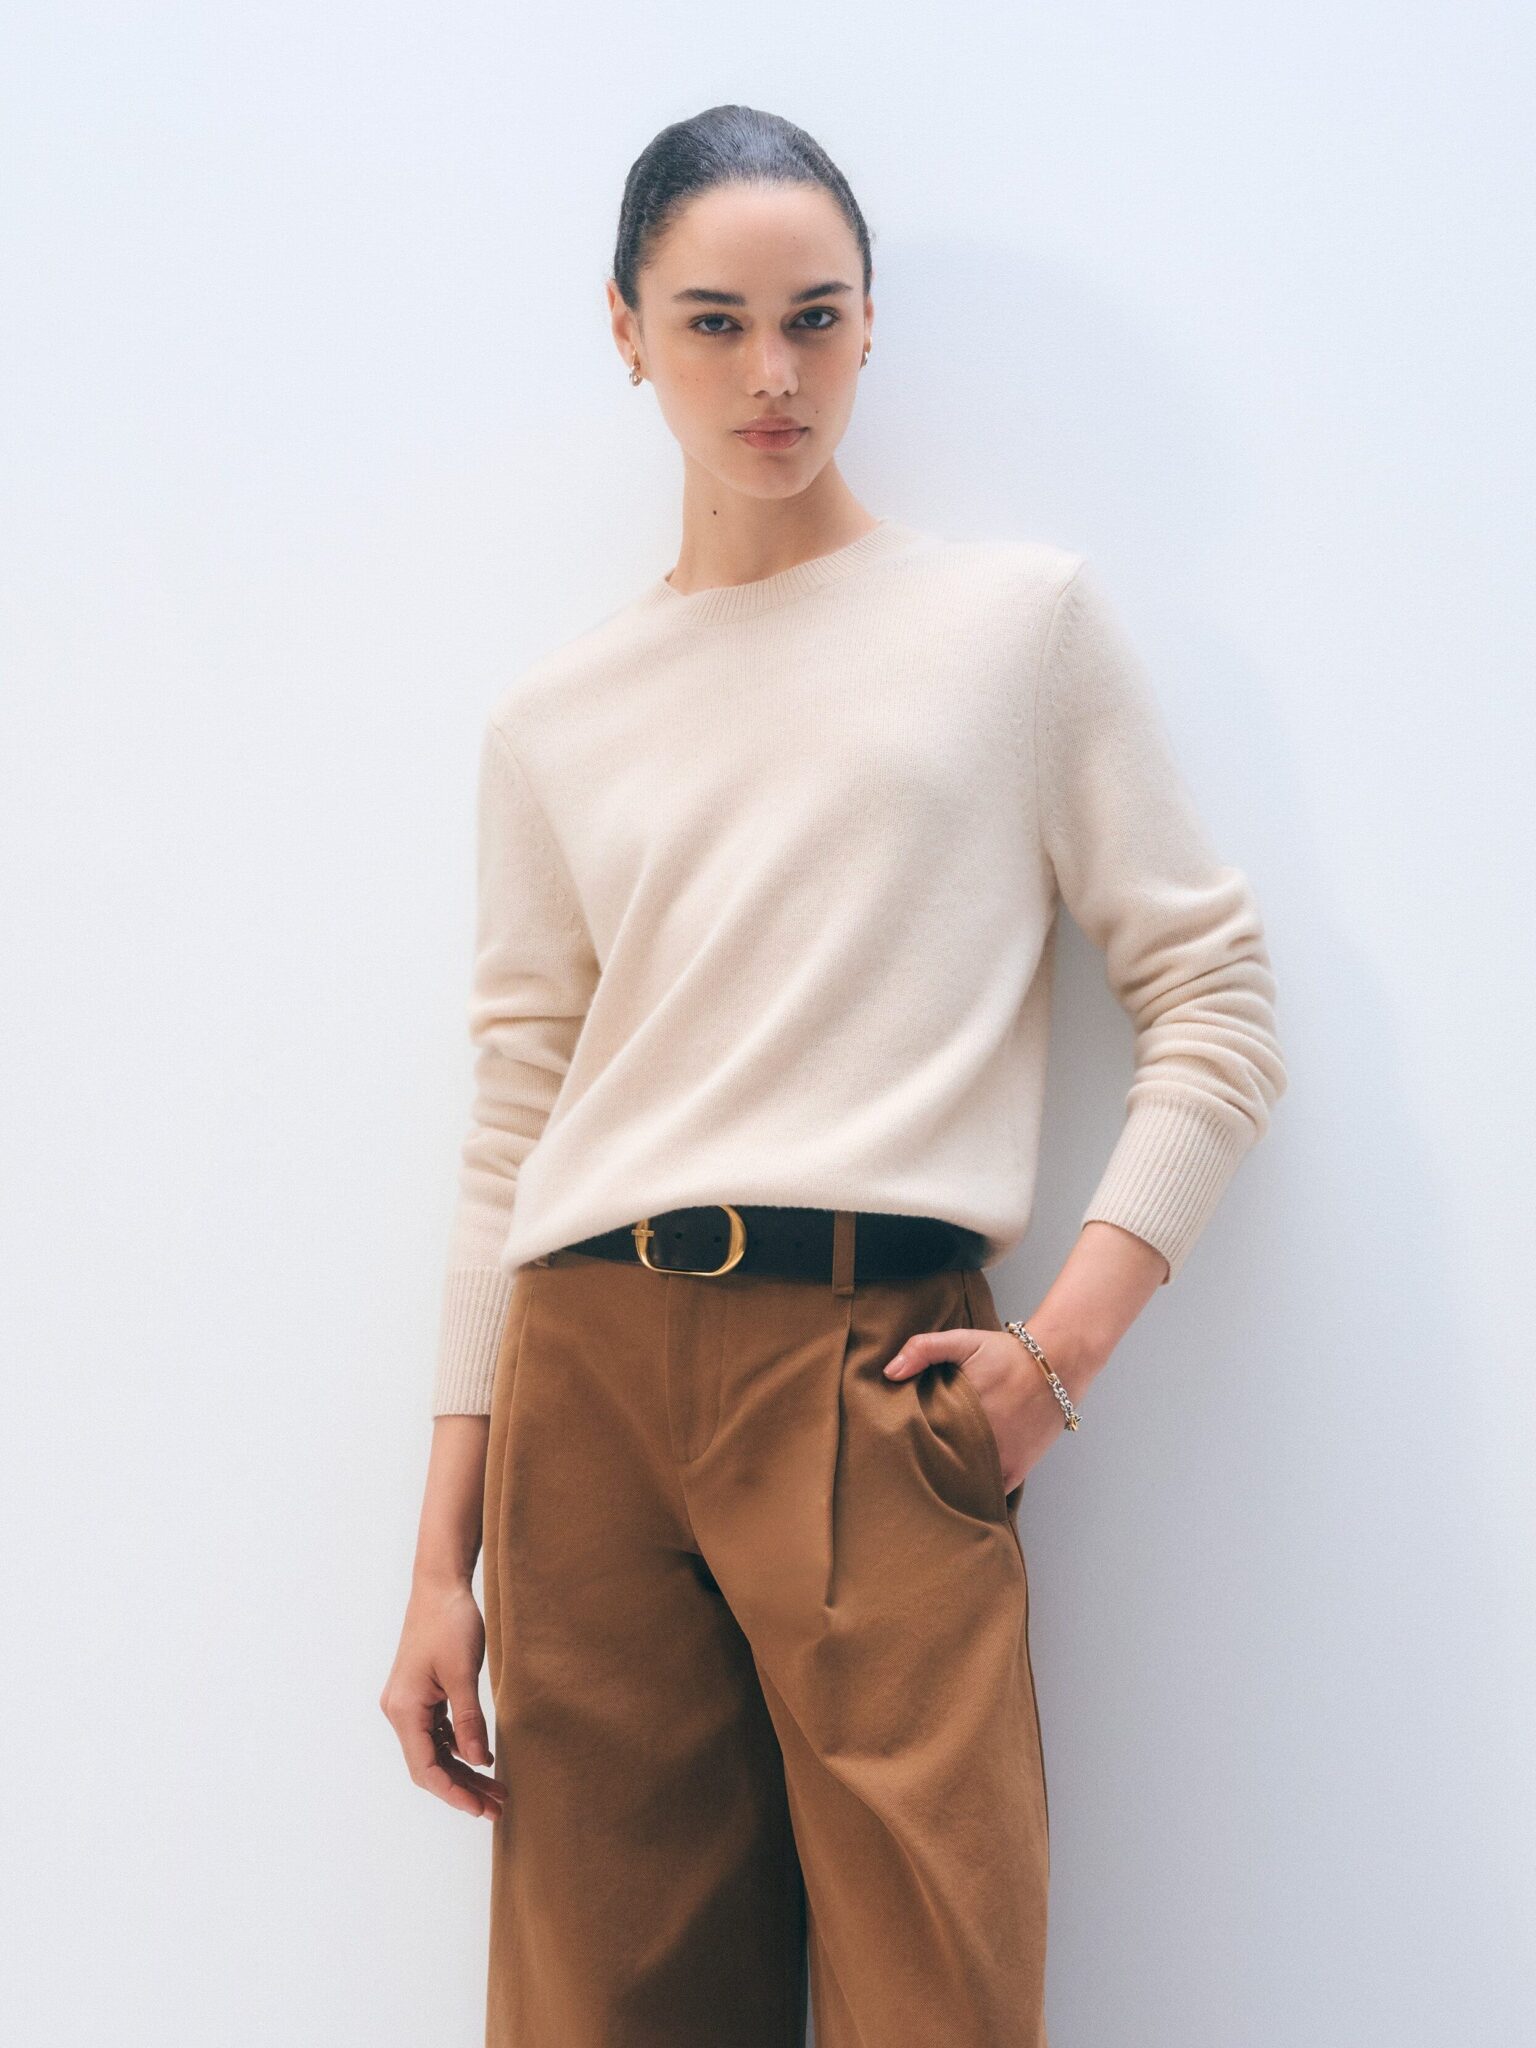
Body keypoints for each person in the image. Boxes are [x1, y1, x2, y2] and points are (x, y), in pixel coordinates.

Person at [380, 102, 1287, 2048]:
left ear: (874, 325)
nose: (772, 373)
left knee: (937, 1997)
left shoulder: (1011, 628)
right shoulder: (558, 719)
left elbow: (1215, 997)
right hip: (590, 1384)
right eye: (712, 320)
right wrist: (436, 1556)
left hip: (876, 1372)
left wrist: (1060, 1355)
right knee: (601, 2013)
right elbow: (512, 1121)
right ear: (623, 328)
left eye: (817, 316)